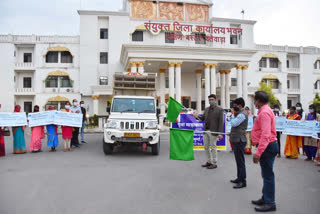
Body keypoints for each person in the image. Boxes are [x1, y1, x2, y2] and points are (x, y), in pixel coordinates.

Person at [251, 91, 279, 212]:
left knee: (268, 175)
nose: (254, 103)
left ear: (258, 101)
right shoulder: (264, 111)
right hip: (268, 146)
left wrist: (258, 152)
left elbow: (266, 135)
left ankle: (270, 203)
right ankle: (265, 197)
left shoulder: (265, 113)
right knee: (266, 174)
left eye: (254, 100)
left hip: (267, 147)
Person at [193, 94, 224, 169]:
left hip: (214, 131)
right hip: (206, 131)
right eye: (209, 100)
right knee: (206, 147)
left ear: (215, 100)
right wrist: (197, 117)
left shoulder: (220, 110)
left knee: (213, 147)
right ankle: (209, 161)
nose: (211, 101)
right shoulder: (206, 109)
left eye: (212, 100)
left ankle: (214, 162)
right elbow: (202, 118)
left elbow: (221, 122)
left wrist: (220, 133)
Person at [229, 98, 248, 189]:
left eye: (235, 105)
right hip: (237, 139)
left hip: (240, 140)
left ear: (239, 105)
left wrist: (233, 114)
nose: (234, 107)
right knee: (238, 160)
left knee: (240, 161)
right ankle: (239, 177)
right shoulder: (240, 113)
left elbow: (234, 123)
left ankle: (242, 181)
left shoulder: (242, 114)